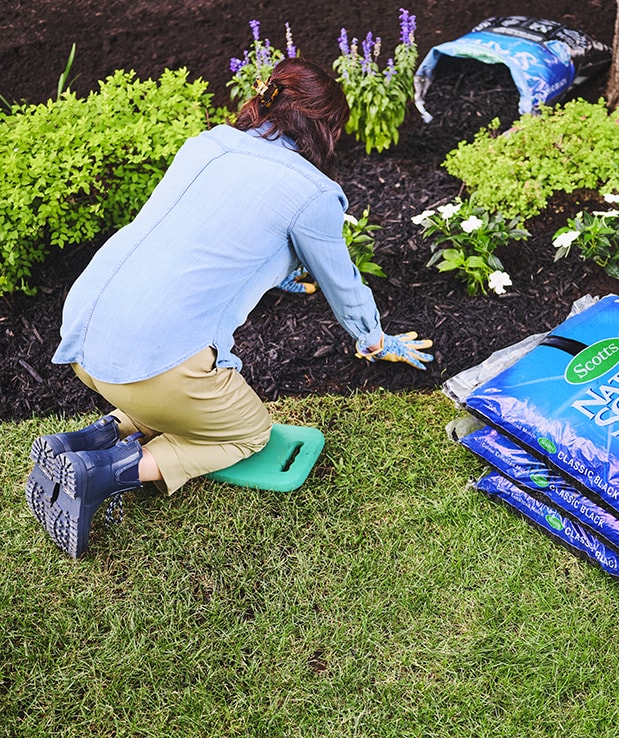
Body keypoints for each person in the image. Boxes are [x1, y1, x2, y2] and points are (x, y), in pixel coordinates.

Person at [26, 58, 433, 559]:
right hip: (152, 370)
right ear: (324, 128)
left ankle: (85, 440)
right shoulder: (313, 192)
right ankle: (102, 474)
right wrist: (374, 340)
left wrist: (274, 269)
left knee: (177, 401)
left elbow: (201, 233)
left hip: (86, 340)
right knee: (246, 433)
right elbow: (342, 284)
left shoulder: (208, 144)